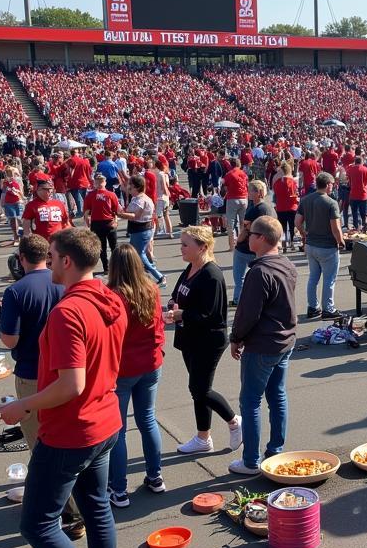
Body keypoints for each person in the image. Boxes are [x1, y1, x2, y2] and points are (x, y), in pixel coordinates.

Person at [0, 228, 127, 548]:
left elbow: (71, 384)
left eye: (51, 256)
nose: (47, 262)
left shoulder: (69, 312)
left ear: (66, 261)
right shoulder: (110, 299)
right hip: (104, 422)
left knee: (37, 523)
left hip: (73, 429)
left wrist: (24, 406)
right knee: (95, 507)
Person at [0, 234, 84, 541]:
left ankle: (71, 513)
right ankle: (80, 506)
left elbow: (10, 340)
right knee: (69, 442)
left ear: (21, 259)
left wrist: (0, 319)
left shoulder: (16, 291)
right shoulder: (64, 282)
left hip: (33, 376)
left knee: (43, 446)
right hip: (68, 372)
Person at [228, 216, 298, 475]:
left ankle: (250, 462)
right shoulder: (286, 264)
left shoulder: (258, 272)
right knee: (277, 396)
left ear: (263, 238)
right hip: (284, 341)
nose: (247, 237)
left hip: (263, 345)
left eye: (250, 233)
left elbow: (247, 314)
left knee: (250, 401)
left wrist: (236, 338)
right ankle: (276, 450)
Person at [166, 225, 242, 454]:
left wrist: (182, 314)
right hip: (190, 338)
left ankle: (235, 421)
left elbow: (211, 315)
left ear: (203, 247)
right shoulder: (190, 268)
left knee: (200, 388)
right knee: (198, 389)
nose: (181, 249)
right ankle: (203, 437)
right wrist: (172, 306)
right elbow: (177, 294)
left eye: (185, 245)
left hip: (208, 340)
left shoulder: (211, 275)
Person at [106, 244, 166, 507]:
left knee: (117, 430)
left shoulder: (113, 295)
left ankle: (119, 489)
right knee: (147, 420)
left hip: (123, 369)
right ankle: (155, 476)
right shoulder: (151, 288)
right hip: (151, 364)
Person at [296, 172, 346, 320]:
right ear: (328, 184)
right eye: (332, 184)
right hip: (327, 246)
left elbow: (297, 222)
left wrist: (304, 234)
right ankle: (328, 309)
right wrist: (341, 241)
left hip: (311, 244)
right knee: (329, 279)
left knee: (313, 277)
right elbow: (335, 228)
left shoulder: (306, 200)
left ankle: (313, 307)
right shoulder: (331, 203)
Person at [231, 180, 276, 305]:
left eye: (250, 190)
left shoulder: (253, 210)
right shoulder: (269, 209)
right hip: (262, 247)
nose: (248, 193)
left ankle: (238, 299)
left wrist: (237, 241)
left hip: (246, 248)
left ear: (257, 193)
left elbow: (245, 230)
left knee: (240, 278)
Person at [118, 174, 166, 286]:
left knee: (139, 254)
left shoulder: (141, 200)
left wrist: (120, 214)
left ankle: (159, 276)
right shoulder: (137, 198)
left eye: (131, 186)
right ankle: (137, 276)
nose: (129, 188)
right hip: (140, 229)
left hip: (141, 229)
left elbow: (136, 216)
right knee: (135, 254)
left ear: (136, 187)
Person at [83, 173, 121, 275]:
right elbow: (86, 212)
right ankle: (106, 267)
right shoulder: (90, 195)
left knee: (114, 247)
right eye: (97, 181)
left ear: (105, 182)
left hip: (109, 222)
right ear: (94, 182)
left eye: (101, 181)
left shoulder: (111, 194)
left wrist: (116, 221)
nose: (99, 183)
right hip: (96, 223)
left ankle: (117, 267)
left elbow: (116, 210)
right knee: (101, 248)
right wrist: (88, 222)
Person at [272, 161, 300, 252]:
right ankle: (292, 243)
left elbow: (275, 194)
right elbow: (295, 193)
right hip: (292, 206)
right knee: (292, 226)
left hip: (281, 206)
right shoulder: (292, 181)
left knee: (282, 227)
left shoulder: (277, 181)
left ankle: (284, 245)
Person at [222, 158, 249, 251]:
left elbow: (224, 188)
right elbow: (247, 185)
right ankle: (243, 242)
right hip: (244, 198)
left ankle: (232, 245)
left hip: (232, 198)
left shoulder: (228, 174)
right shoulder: (243, 173)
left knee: (231, 222)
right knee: (243, 222)